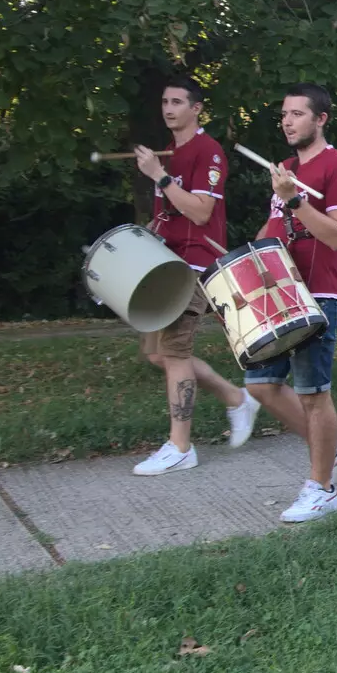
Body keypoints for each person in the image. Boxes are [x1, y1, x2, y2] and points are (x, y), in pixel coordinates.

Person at [130, 76, 261, 476]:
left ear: (196, 108)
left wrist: (160, 177)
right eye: (165, 102)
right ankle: (237, 399)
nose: (168, 108)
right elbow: (173, 210)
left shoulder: (208, 151)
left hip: (194, 264)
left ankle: (181, 446)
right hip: (165, 263)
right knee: (155, 353)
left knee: (174, 352)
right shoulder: (168, 154)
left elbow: (202, 211)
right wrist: (155, 226)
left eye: (177, 102)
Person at [242, 84, 337, 522]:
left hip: (320, 295)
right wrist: (244, 267)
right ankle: (329, 449)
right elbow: (272, 226)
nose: (287, 121)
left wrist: (296, 200)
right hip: (279, 294)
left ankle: (322, 488)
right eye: (284, 114)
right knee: (261, 385)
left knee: (314, 395)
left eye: (297, 114)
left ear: (321, 119)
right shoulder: (286, 168)